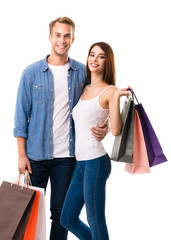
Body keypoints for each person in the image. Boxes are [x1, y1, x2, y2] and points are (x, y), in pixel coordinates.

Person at [13, 17, 108, 240]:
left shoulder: (81, 73)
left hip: (67, 157)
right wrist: (21, 155)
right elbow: (20, 117)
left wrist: (107, 125)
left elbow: (100, 99)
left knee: (60, 215)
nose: (62, 40)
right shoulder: (31, 73)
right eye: (58, 35)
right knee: (29, 212)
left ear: (73, 39)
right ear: (50, 37)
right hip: (35, 156)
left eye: (67, 36)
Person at [60, 42, 130, 240]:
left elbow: (116, 130)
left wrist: (116, 97)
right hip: (80, 163)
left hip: (96, 161)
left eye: (101, 56)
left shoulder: (110, 91)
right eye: (92, 54)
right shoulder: (84, 88)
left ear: (107, 62)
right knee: (67, 218)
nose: (95, 59)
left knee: (95, 219)